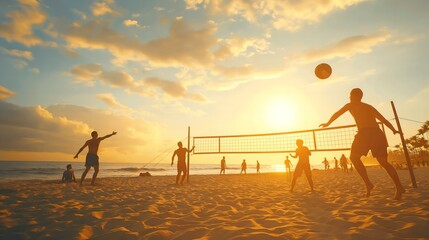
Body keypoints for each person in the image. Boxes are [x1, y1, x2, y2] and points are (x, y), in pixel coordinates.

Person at [320, 88, 404, 199]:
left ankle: (396, 187)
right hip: (373, 134)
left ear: (356, 96)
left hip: (368, 134)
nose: (349, 97)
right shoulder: (363, 106)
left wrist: (328, 123)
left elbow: (337, 114)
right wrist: (393, 130)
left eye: (350, 95)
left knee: (377, 161)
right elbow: (383, 120)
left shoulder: (354, 106)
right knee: (360, 159)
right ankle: (372, 184)